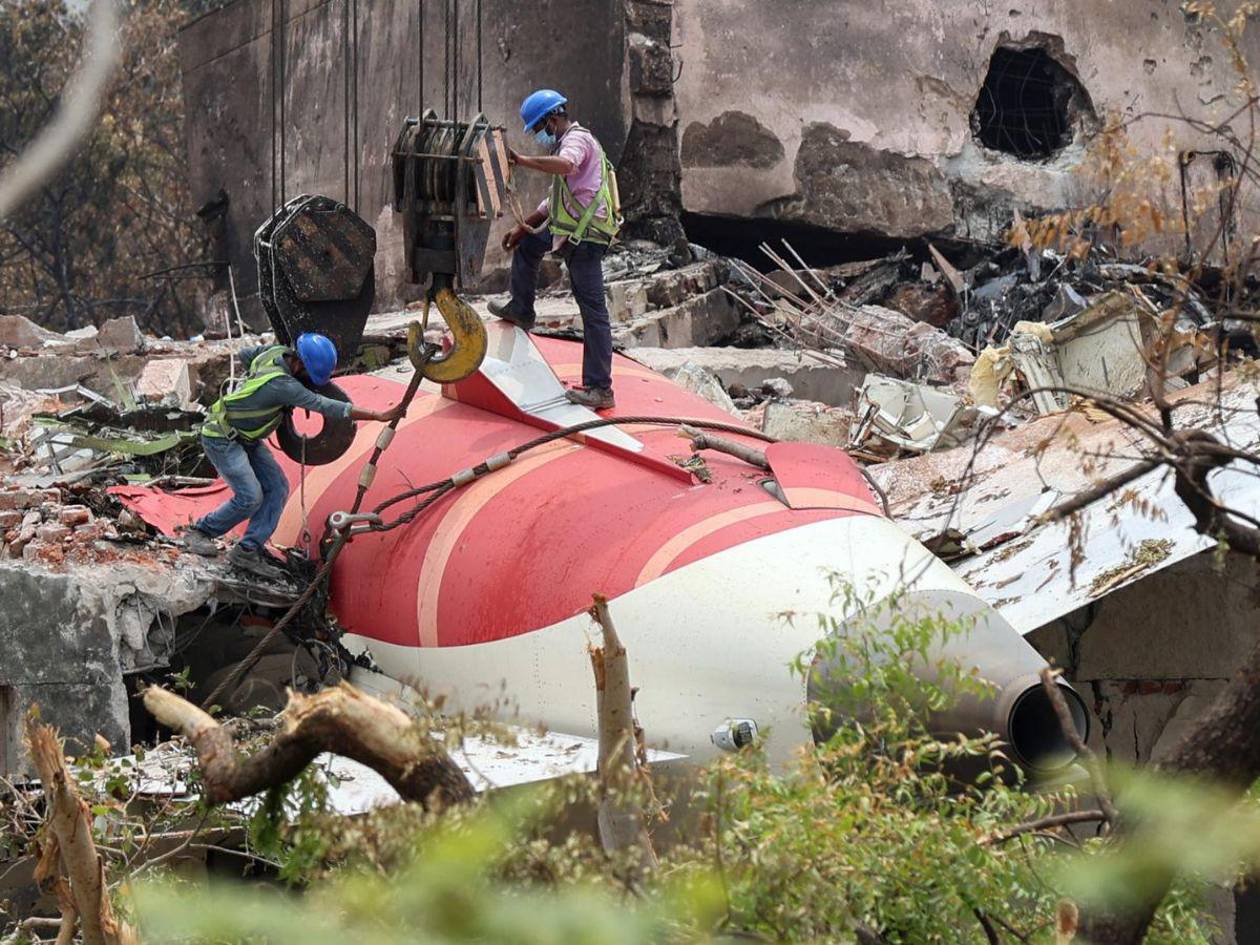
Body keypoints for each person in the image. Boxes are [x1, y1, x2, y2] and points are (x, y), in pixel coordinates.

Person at [179, 332, 405, 577]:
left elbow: (246, 356)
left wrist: (252, 391)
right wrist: (376, 415)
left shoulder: (273, 354)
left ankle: (246, 551)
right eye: (311, 375)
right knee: (250, 497)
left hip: (246, 438)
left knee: (277, 487)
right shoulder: (283, 385)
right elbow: (324, 405)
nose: (312, 380)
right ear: (300, 365)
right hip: (222, 437)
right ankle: (200, 532)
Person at [489, 88, 621, 411]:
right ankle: (521, 309)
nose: (539, 136)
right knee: (529, 245)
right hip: (569, 228)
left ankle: (600, 387)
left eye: (539, 128)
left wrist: (521, 160)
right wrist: (524, 227)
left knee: (593, 312)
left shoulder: (577, 141)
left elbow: (565, 165)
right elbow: (557, 200)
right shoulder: (567, 143)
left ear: (552, 118)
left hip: (585, 236)